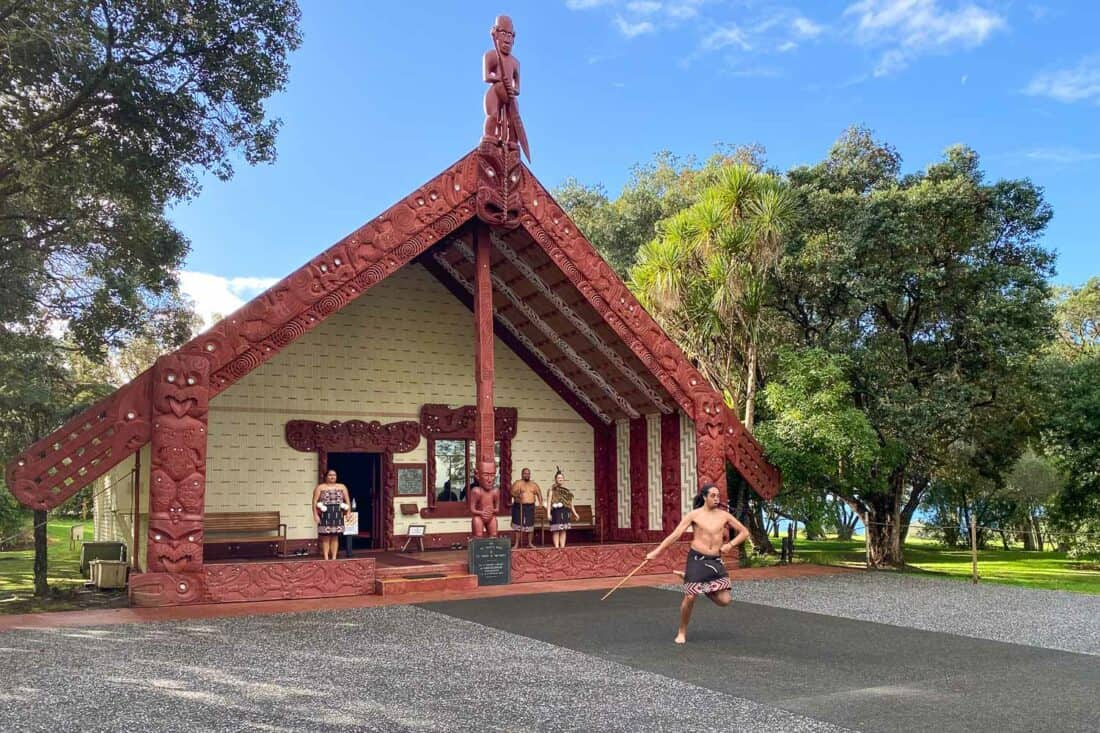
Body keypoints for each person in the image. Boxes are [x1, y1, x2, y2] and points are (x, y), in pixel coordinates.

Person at [645, 483, 749, 644]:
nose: (716, 498)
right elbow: (675, 535)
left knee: (724, 601)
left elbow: (744, 532)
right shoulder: (694, 515)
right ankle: (682, 631)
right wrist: (656, 552)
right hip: (697, 559)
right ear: (705, 497)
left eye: (718, 495)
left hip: (715, 561)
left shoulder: (724, 515)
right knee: (691, 596)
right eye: (713, 495)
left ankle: (695, 582)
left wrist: (730, 544)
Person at [313, 469, 351, 560]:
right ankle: (326, 558)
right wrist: (315, 514)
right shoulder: (320, 487)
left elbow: (347, 500)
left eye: (334, 475)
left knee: (335, 536)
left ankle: (334, 558)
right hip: (325, 514)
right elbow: (314, 502)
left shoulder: (342, 487)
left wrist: (348, 512)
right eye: (330, 475)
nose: (332, 477)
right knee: (325, 537)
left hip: (337, 513)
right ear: (326, 477)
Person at [546, 468, 579, 549]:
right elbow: (549, 502)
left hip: (565, 511)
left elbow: (570, 503)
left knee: (563, 530)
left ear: (563, 479)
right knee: (556, 530)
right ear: (555, 479)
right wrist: (548, 513)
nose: (560, 479)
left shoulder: (566, 491)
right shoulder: (552, 490)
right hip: (556, 512)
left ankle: (562, 548)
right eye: (558, 478)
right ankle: (557, 548)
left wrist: (575, 513)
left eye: (561, 478)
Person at [510, 467, 542, 548]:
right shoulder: (518, 483)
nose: (527, 475)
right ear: (522, 474)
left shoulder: (533, 484)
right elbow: (511, 492)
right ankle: (516, 543)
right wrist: (517, 495)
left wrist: (540, 504)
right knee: (518, 526)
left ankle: (530, 543)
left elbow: (539, 494)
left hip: (530, 507)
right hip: (519, 506)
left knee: (530, 525)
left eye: (528, 473)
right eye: (525, 473)